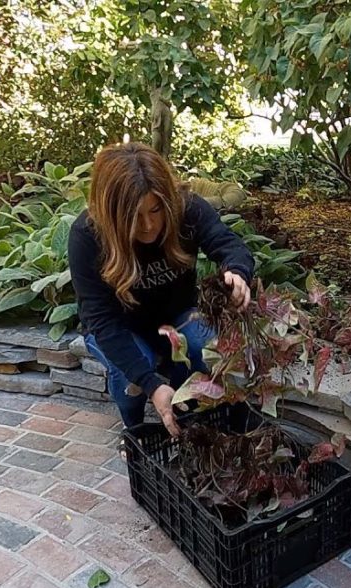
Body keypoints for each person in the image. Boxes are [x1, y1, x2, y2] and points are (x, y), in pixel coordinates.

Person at [68, 142, 254, 436]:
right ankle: (136, 432)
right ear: (112, 213)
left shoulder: (188, 208)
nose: (148, 225)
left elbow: (229, 245)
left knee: (204, 349)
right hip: (119, 325)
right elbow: (101, 320)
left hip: (178, 312)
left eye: (155, 210)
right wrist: (150, 383)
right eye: (134, 216)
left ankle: (193, 421)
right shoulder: (87, 235)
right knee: (128, 379)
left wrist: (237, 272)